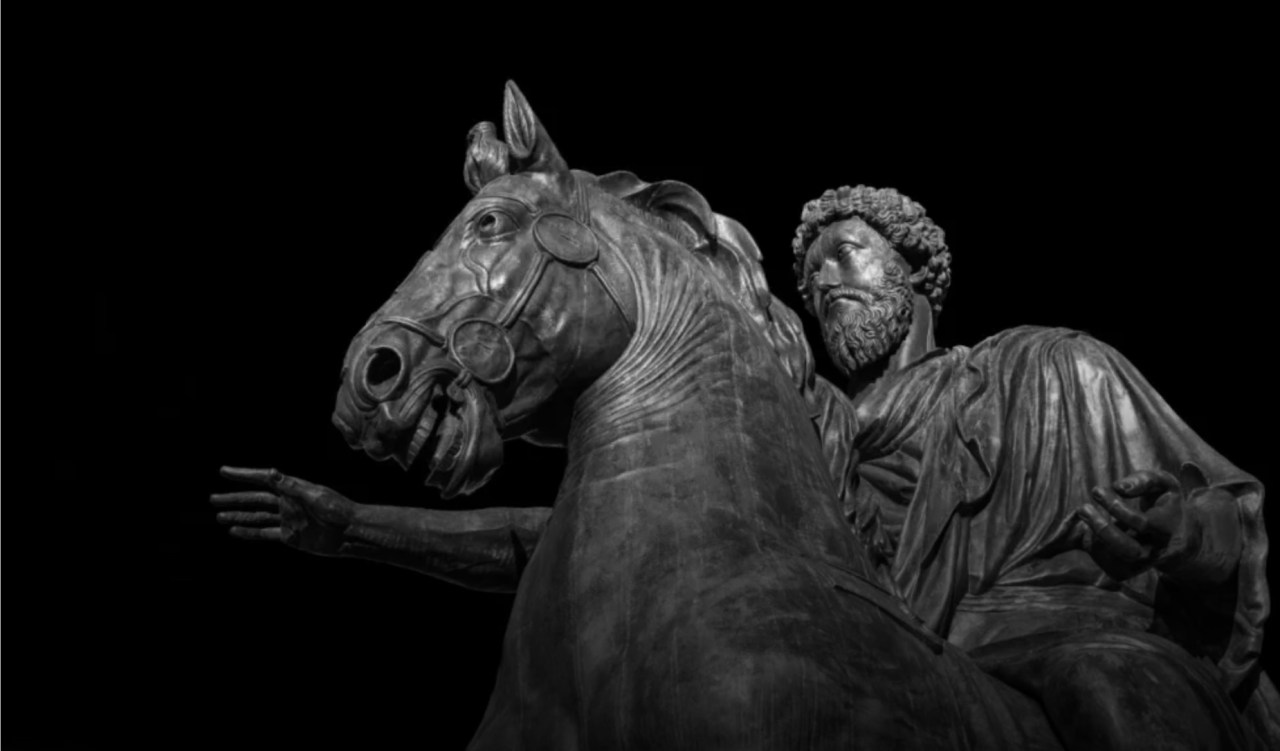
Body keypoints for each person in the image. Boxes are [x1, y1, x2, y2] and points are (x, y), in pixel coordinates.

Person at [792, 184, 1276, 748]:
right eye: (809, 278)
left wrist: (1179, 534)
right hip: (883, 656)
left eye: (843, 254)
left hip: (1070, 636)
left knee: (1110, 687)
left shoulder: (1048, 369)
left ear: (916, 267)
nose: (823, 283)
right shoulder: (814, 440)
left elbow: (1224, 522)